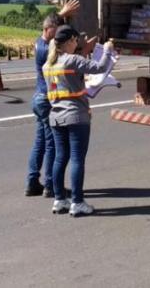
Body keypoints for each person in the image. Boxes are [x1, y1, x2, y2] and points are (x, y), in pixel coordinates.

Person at [44, 25, 114, 217]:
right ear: (69, 41)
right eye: (76, 41)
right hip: (76, 116)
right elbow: (100, 67)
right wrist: (107, 50)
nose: (77, 44)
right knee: (77, 159)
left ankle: (59, 200)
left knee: (60, 157)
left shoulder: (48, 65)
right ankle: (77, 202)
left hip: (56, 117)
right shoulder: (72, 60)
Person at [25, 0, 81, 197]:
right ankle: (50, 185)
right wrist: (62, 13)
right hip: (46, 100)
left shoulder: (39, 42)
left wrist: (63, 17)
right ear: (48, 29)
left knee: (40, 141)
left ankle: (32, 182)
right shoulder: (45, 49)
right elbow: (60, 53)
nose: (58, 35)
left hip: (38, 98)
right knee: (52, 144)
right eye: (55, 30)